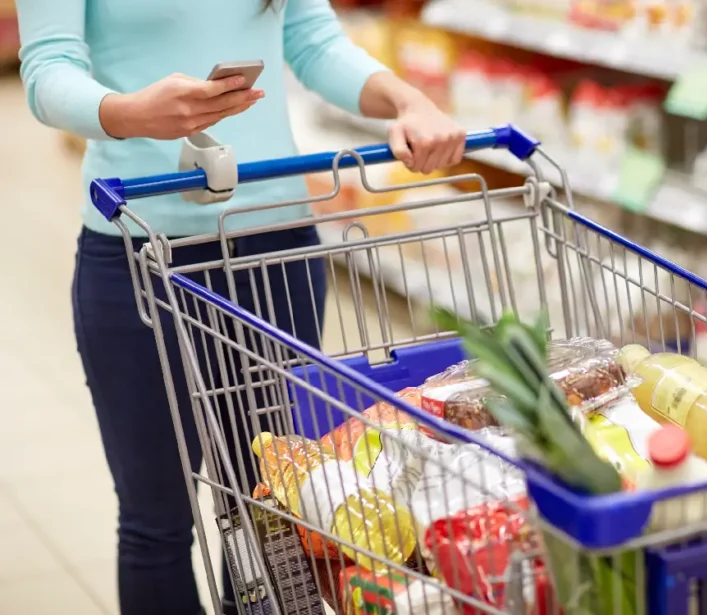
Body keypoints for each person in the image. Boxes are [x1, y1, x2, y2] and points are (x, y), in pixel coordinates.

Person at [15, 0, 466, 613]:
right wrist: (130, 113)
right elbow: (47, 70)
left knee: (267, 510)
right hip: (139, 249)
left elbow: (312, 41)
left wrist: (408, 100)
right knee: (157, 521)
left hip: (275, 250)